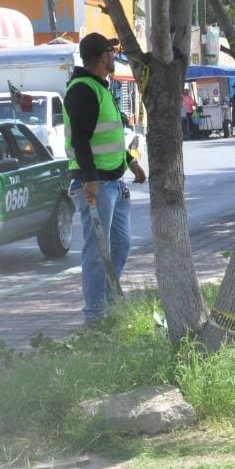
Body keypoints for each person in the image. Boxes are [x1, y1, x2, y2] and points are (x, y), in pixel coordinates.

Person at [64, 32, 133, 325]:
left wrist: (131, 162)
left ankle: (106, 297)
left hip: (113, 182)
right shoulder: (83, 89)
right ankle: (95, 315)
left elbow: (109, 137)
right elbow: (80, 139)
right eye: (111, 52)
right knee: (96, 251)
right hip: (96, 185)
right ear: (102, 56)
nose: (114, 57)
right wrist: (90, 180)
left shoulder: (101, 87)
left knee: (120, 244)